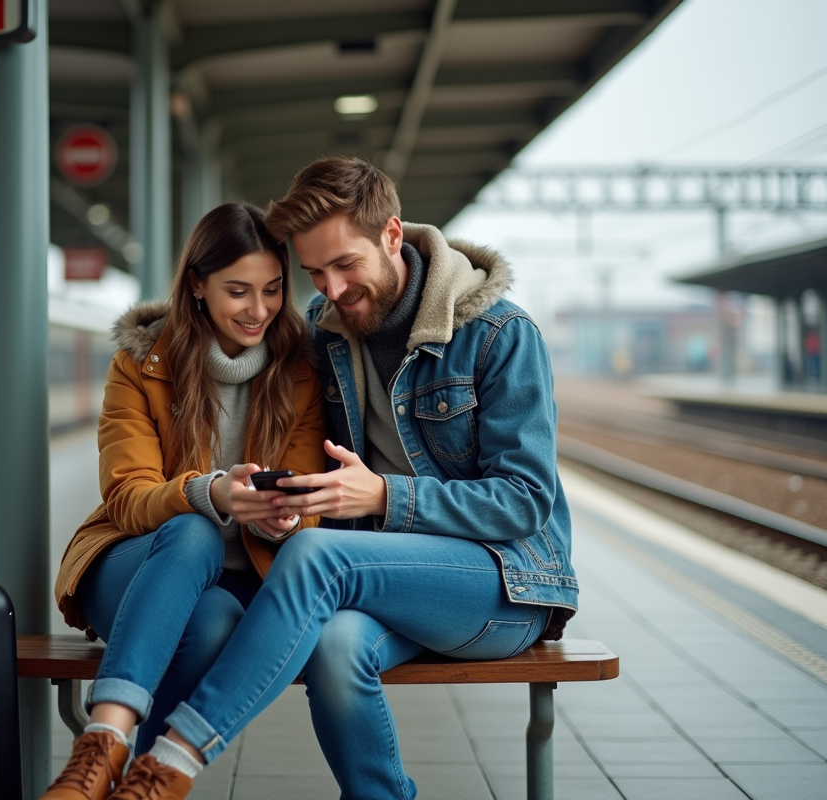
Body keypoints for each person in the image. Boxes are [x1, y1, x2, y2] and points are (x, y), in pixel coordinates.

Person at [93, 157, 579, 800]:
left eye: (346, 264)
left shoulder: (499, 335)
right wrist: (286, 506)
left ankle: (168, 766)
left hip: (503, 584)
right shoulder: (328, 334)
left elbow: (526, 501)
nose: (334, 288)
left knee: (319, 557)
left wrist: (383, 495)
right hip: (389, 578)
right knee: (334, 643)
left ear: (392, 235)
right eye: (316, 273)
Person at [41, 203, 326, 800]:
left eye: (273, 289)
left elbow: (307, 498)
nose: (258, 310)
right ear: (196, 284)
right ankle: (103, 740)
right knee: (194, 531)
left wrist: (282, 517)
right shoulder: (140, 364)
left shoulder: (301, 371)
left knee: (215, 621)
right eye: (237, 291)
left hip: (238, 581)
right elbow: (127, 496)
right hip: (136, 563)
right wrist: (211, 493)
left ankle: (135, 784)